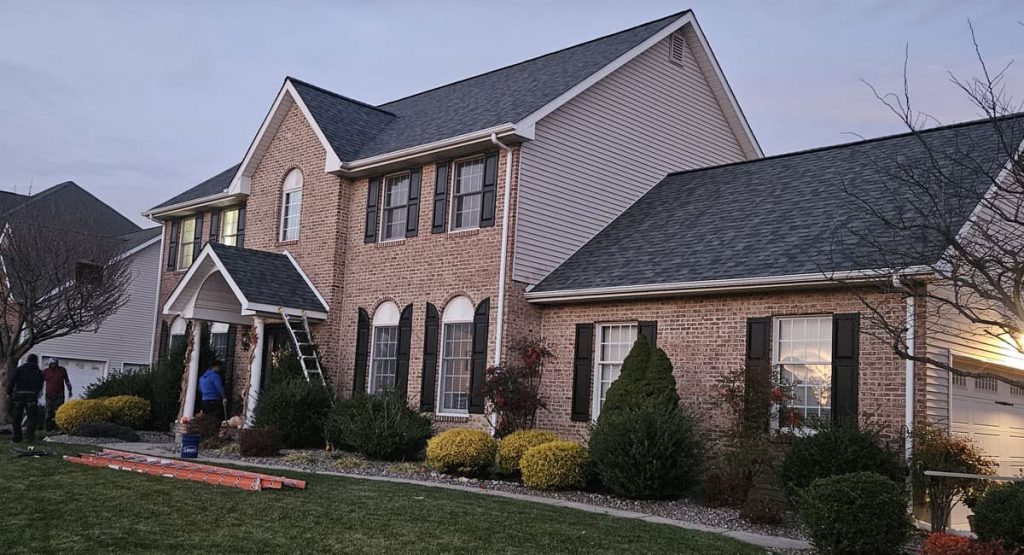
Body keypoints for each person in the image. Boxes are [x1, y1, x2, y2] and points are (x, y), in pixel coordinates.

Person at [6, 354, 44, 443]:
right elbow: (40, 383)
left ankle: (17, 438)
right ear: (36, 361)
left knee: (17, 417)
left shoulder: (20, 369)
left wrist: (9, 392)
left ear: (27, 360)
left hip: (19, 395)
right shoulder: (38, 372)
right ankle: (29, 437)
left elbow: (12, 381)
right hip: (31, 396)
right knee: (32, 417)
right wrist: (37, 393)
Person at [42, 357, 73, 432]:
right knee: (49, 412)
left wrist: (70, 389)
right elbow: (41, 382)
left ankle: (57, 427)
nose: (53, 365)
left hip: (59, 395)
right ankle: (48, 428)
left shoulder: (62, 370)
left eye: (54, 364)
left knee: (58, 411)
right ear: (49, 364)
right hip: (49, 395)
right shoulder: (45, 371)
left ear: (57, 364)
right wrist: (39, 391)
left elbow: (67, 380)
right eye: (51, 364)